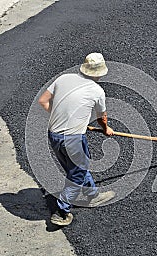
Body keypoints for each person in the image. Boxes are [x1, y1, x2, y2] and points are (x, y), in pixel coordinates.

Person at [38, 52, 116, 226]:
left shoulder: (63, 79)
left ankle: (92, 195)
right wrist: (106, 129)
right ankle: (62, 212)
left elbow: (43, 101)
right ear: (100, 72)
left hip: (54, 135)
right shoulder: (97, 91)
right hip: (72, 139)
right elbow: (102, 118)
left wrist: (63, 116)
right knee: (77, 174)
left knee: (75, 168)